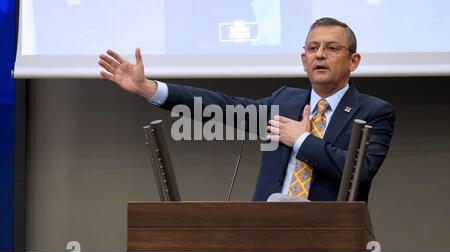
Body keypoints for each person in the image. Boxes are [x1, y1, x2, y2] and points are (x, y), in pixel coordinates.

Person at [98, 17, 395, 202]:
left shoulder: (374, 111)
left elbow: (361, 171)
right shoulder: (286, 101)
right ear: (303, 59)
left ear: (353, 61)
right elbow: (223, 108)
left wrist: (302, 141)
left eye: (331, 48)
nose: (319, 54)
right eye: (312, 48)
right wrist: (151, 89)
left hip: (331, 235)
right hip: (264, 229)